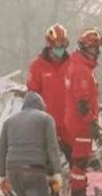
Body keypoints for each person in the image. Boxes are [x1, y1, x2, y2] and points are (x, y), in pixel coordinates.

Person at [64, 28, 102, 196]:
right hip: (80, 124)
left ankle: (79, 195)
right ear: (87, 48)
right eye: (96, 49)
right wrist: (92, 122)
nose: (98, 53)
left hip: (79, 122)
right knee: (80, 162)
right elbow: (82, 102)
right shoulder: (81, 70)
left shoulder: (81, 67)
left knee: (80, 161)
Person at [27, 23, 71, 165]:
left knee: (75, 165)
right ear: (49, 45)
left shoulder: (72, 65)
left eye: (63, 45)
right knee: (47, 164)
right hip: (47, 124)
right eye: (58, 46)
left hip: (68, 126)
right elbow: (32, 95)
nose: (61, 50)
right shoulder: (37, 67)